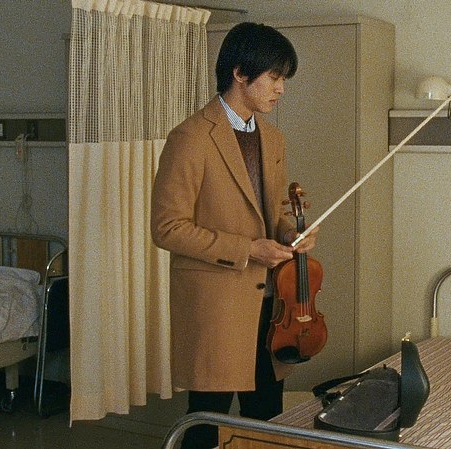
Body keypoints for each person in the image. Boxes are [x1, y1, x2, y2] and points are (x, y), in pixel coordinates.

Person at [150, 22, 319, 449]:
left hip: (273, 304)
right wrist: (248, 249)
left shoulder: (273, 138)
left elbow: (272, 213)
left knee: (268, 417)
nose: (281, 89)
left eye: (283, 79)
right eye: (274, 77)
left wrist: (292, 233)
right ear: (240, 73)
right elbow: (167, 228)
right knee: (206, 421)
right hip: (218, 304)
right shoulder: (190, 138)